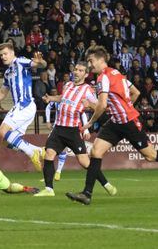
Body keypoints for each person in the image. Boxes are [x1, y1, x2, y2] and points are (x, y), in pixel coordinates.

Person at [66, 46, 158, 205]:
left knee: (150, 156)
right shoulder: (117, 73)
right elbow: (135, 92)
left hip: (128, 122)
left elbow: (102, 104)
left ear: (100, 60)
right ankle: (86, 193)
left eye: (91, 61)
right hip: (116, 121)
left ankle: (87, 193)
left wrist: (90, 123)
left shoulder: (103, 78)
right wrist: (123, 108)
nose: (90, 65)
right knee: (96, 152)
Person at [34, 62, 116, 197]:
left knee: (85, 162)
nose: (76, 72)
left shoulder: (88, 90)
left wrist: (89, 104)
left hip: (72, 131)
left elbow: (99, 107)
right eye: (76, 69)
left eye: (80, 70)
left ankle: (106, 184)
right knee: (49, 154)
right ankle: (49, 189)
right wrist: (51, 98)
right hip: (59, 128)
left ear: (86, 74)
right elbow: (62, 98)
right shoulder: (67, 85)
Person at [0, 42, 46, 172]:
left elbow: (39, 64)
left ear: (13, 53)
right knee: (5, 142)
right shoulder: (8, 73)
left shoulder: (20, 61)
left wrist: (41, 61)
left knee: (2, 131)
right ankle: (38, 150)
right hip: (23, 108)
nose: (3, 57)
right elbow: (2, 94)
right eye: (1, 55)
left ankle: (32, 152)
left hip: (24, 104)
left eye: (5, 54)